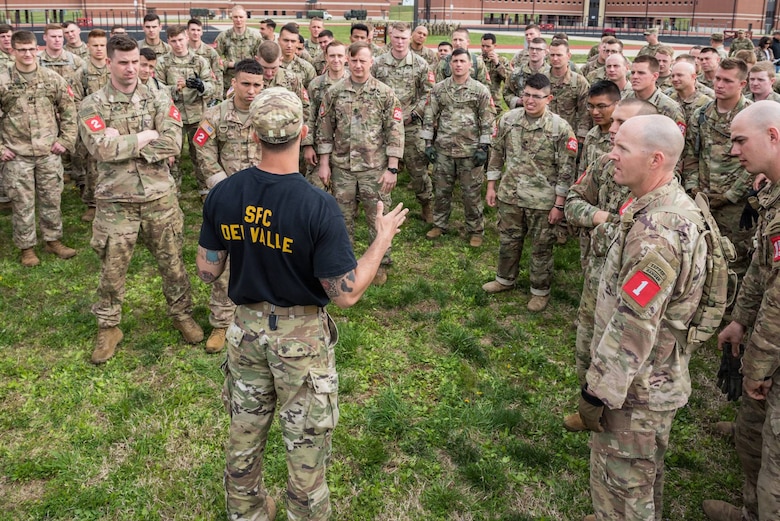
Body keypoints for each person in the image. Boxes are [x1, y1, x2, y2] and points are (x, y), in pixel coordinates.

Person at [196, 86, 408, 521]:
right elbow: (345, 292)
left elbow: (207, 271)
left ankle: (246, 513)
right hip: (301, 340)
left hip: (245, 332)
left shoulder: (223, 194)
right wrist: (381, 239)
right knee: (306, 446)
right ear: (304, 132)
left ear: (253, 135)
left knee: (244, 434)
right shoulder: (318, 206)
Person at [577, 115, 707, 521]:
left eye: (621, 149)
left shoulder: (658, 230)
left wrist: (596, 393)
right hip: (649, 380)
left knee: (625, 489)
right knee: (642, 477)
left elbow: (634, 325)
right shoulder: (658, 202)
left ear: (655, 160)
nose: (610, 155)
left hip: (635, 390)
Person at [79, 34, 203, 364]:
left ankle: (181, 314)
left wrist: (124, 141)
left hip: (159, 198)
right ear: (109, 63)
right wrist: (146, 136)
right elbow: (100, 149)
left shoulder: (159, 99)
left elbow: (173, 143)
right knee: (112, 269)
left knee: (173, 262)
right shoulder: (92, 104)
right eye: (123, 62)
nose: (132, 68)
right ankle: (109, 326)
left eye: (135, 62)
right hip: (116, 202)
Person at [701, 100, 780, 521]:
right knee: (753, 439)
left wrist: (758, 367)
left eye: (739, 140)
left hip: (774, 348)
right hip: (766, 341)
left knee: (777, 477)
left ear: (773, 137)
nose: (733, 151)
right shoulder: (773, 188)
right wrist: (739, 320)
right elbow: (762, 267)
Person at [562, 99, 660, 432]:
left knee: (624, 352)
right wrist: (599, 217)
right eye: (614, 121)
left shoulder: (659, 183)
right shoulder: (606, 163)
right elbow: (573, 202)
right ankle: (589, 409)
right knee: (588, 345)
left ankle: (618, 419)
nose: (613, 127)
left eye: (623, 123)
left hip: (633, 287)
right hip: (596, 276)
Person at [482, 73, 577, 312]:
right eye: (526, 95)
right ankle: (504, 280)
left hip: (542, 201)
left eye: (537, 96)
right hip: (511, 195)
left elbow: (567, 170)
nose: (530, 100)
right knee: (508, 241)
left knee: (541, 247)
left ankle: (539, 290)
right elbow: (496, 154)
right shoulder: (507, 120)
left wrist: (559, 205)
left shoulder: (560, 128)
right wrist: (492, 186)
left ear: (549, 98)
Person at [316, 41, 404, 286]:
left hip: (374, 168)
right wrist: (324, 164)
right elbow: (324, 130)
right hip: (342, 167)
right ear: (347, 60)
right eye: (353, 60)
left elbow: (395, 131)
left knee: (377, 217)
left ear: (371, 62)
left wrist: (392, 168)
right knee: (341, 219)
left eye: (362, 60)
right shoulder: (334, 93)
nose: (357, 65)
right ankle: (345, 263)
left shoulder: (385, 93)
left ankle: (380, 263)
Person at [194, 59, 264, 353]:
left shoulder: (268, 114)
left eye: (257, 85)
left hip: (263, 196)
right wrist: (223, 187)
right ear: (233, 83)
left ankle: (261, 314)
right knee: (224, 261)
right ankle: (221, 322)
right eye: (245, 84)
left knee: (265, 255)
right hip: (227, 196)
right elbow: (202, 148)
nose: (251, 90)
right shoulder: (216, 115)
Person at [0, 30, 78, 267]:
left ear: (37, 49)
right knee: (22, 203)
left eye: (31, 49)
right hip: (17, 154)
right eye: (21, 50)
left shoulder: (52, 78)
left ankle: (53, 240)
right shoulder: (3, 81)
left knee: (52, 199)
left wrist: (64, 141)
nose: (27, 54)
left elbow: (69, 110)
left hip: (47, 152)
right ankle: (27, 247)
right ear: (13, 51)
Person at [682, 58, 754, 280]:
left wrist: (730, 195)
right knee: (703, 258)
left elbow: (757, 163)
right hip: (704, 202)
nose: (719, 84)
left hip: (737, 205)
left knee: (736, 262)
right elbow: (692, 155)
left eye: (727, 81)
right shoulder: (701, 115)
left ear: (742, 84)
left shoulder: (752, 116)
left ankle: (731, 313)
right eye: (718, 79)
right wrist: (693, 189)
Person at [422, 48, 495, 247]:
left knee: (471, 194)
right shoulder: (439, 89)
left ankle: (475, 229)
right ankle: (439, 224)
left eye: (463, 61)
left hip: (470, 151)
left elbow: (487, 119)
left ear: (470, 65)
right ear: (449, 64)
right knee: (442, 191)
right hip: (444, 149)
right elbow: (429, 116)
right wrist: (428, 143)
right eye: (455, 61)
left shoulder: (480, 90)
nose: (458, 65)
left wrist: (484, 147)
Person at [372, 22, 434, 223]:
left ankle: (427, 205)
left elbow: (429, 93)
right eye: (397, 37)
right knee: (379, 168)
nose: (400, 42)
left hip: (410, 125)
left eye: (404, 37)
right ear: (391, 36)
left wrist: (414, 113)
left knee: (418, 171)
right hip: (383, 127)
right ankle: (380, 209)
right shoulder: (378, 64)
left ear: (410, 38)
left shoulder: (420, 64)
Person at [156, 24, 214, 195]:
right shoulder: (163, 62)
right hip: (173, 117)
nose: (178, 44)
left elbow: (212, 86)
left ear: (187, 38)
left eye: (181, 40)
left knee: (201, 154)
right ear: (168, 41)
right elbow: (157, 89)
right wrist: (175, 88)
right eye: (173, 41)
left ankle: (205, 190)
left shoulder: (200, 61)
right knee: (173, 155)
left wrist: (201, 86)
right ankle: (173, 189)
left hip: (197, 115)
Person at [302, 40, 349, 189]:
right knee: (317, 189)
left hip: (346, 148)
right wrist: (308, 145)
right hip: (319, 144)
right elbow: (309, 116)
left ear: (346, 57)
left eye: (340, 56)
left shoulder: (353, 82)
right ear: (326, 57)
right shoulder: (316, 85)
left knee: (344, 196)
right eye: (332, 56)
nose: (336, 60)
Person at [79, 28, 111, 222]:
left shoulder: (113, 67)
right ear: (88, 47)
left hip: (115, 124)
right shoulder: (82, 72)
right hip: (92, 125)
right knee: (92, 165)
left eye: (102, 45)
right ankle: (92, 203)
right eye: (95, 45)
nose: (99, 49)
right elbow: (74, 100)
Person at [624, 55, 686, 132]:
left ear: (655, 76)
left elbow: (677, 141)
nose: (635, 77)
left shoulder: (670, 108)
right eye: (633, 73)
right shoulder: (624, 99)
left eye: (641, 73)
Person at [547, 38, 591, 143]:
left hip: (569, 135)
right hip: (545, 135)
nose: (555, 58)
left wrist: (581, 134)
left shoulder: (580, 82)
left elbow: (585, 112)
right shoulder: (542, 80)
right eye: (552, 55)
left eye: (559, 55)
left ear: (568, 56)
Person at [215, 6, 262, 97]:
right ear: (231, 18)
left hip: (250, 82)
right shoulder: (223, 36)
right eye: (235, 17)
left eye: (241, 17)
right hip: (230, 83)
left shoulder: (255, 37)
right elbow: (214, 59)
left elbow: (261, 59)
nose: (238, 20)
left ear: (246, 17)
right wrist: (229, 64)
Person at [581, 80, 621, 172]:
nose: (595, 112)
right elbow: (583, 172)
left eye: (601, 106)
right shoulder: (591, 135)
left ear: (617, 104)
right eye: (591, 106)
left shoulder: (624, 136)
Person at [504, 37, 550, 110]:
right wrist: (518, 101)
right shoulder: (516, 73)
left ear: (545, 52)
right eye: (531, 48)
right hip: (521, 115)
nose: (534, 51)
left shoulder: (551, 74)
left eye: (538, 49)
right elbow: (507, 93)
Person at [188, 18, 223, 104]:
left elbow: (218, 76)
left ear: (202, 32)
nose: (196, 33)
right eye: (193, 30)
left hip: (206, 97)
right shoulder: (183, 51)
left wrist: (218, 98)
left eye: (198, 30)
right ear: (187, 31)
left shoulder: (210, 52)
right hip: (187, 96)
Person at [669, 59, 714, 125]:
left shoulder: (706, 104)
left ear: (693, 76)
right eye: (672, 76)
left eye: (679, 75)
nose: (675, 79)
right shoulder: (669, 100)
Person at [278, 23, 316, 89]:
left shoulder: (307, 68)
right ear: (279, 40)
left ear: (297, 43)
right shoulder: (269, 67)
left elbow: (312, 94)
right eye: (286, 40)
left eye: (293, 41)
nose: (289, 45)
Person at [481, 32, 509, 111]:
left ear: (495, 46)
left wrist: (497, 64)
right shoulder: (476, 60)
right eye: (483, 46)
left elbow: (508, 80)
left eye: (488, 46)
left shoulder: (502, 61)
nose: (485, 49)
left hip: (495, 102)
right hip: (479, 100)